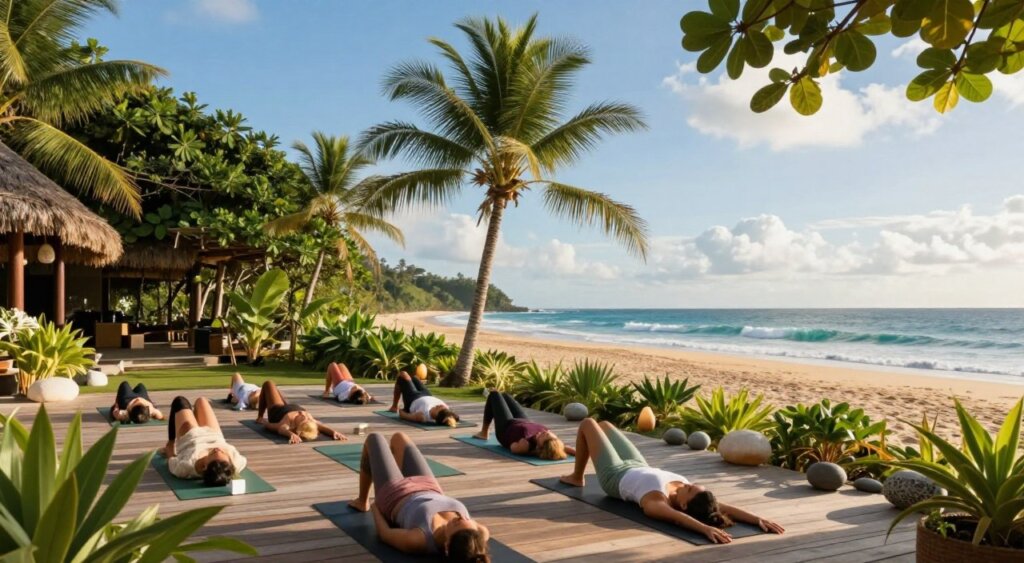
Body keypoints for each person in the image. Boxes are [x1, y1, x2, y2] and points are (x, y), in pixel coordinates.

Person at [559, 418, 785, 544]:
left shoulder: (657, 501)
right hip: (639, 463)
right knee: (605, 425)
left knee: (588, 423)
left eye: (689, 489)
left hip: (615, 474)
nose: (687, 484)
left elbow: (678, 518)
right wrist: (758, 519)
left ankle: (577, 477)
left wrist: (704, 529)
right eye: (691, 484)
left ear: (684, 504)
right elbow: (725, 508)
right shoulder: (693, 496)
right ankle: (579, 471)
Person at [349, 432, 490, 561]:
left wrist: (375, 506)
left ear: (447, 546)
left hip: (394, 494)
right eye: (464, 519)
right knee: (400, 437)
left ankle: (362, 501)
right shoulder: (478, 534)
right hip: (429, 485)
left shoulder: (418, 540)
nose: (461, 518)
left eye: (456, 523)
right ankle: (391, 470)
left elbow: (385, 534)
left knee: (374, 438)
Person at [163, 396, 246, 487]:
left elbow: (171, 460)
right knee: (201, 400)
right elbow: (243, 461)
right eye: (223, 452)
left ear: (204, 466)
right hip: (213, 434)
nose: (217, 449)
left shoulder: (185, 467)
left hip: (191, 437)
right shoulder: (236, 463)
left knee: (180, 401)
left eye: (213, 452)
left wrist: (170, 445)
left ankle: (189, 418)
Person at [472, 391, 574, 460]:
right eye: (548, 433)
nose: (545, 432)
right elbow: (569, 449)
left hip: (506, 428)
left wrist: (521, 448)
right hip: (523, 421)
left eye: (544, 435)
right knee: (505, 395)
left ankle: (484, 432)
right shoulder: (554, 444)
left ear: (540, 447)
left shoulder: (527, 445)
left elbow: (512, 448)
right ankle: (484, 432)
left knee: (495, 394)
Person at [256, 380, 346, 444]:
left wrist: (290, 434)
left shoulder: (287, 424)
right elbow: (322, 427)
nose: (304, 415)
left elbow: (275, 428)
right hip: (288, 407)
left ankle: (259, 416)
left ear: (296, 427)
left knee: (269, 384)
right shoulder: (310, 421)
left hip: (277, 409)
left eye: (303, 419)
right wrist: (334, 432)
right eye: (308, 419)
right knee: (275, 389)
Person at [387, 371, 460, 427]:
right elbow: (455, 418)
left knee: (403, 375)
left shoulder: (423, 416)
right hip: (427, 394)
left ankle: (394, 406)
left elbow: (402, 415)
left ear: (438, 414)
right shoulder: (447, 411)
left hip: (413, 398)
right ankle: (394, 406)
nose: (440, 405)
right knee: (414, 377)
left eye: (440, 407)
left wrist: (404, 413)